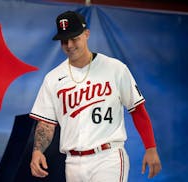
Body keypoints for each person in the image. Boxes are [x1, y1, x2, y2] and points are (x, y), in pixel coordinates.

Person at [29, 10, 161, 182]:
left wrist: (150, 148)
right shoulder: (53, 78)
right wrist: (37, 151)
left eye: (74, 38)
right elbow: (46, 123)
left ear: (86, 34)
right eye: (64, 40)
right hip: (73, 162)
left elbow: (137, 109)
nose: (69, 45)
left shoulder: (115, 68)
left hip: (108, 158)